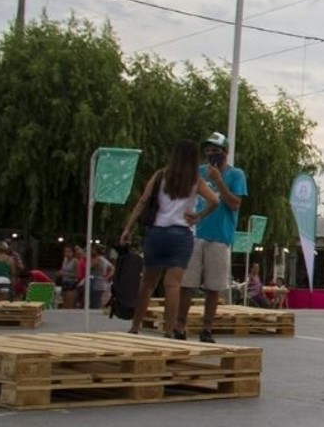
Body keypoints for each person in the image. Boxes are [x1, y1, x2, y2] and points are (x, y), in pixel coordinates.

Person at [120, 140, 220, 338]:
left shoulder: (160, 175)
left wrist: (128, 228)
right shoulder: (195, 180)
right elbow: (215, 200)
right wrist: (198, 216)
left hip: (156, 233)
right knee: (173, 285)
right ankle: (168, 330)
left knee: (147, 283)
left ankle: (135, 326)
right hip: (181, 235)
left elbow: (142, 202)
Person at [176, 132, 247, 343]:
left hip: (220, 236)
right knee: (187, 282)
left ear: (225, 152)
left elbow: (235, 204)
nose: (211, 154)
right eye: (207, 150)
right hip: (196, 232)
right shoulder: (199, 172)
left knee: (213, 285)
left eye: (215, 150)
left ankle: (207, 328)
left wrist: (218, 181)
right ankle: (180, 324)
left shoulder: (236, 175)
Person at [88, 244, 115, 309]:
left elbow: (89, 267)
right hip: (102, 281)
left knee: (94, 302)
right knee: (98, 300)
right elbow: (112, 268)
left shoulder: (97, 259)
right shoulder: (104, 259)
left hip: (95, 281)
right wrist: (107, 277)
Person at [57, 244, 82, 309]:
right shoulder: (65, 260)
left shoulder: (75, 261)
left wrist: (64, 274)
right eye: (66, 251)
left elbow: (77, 275)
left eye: (69, 251)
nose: (67, 253)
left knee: (69, 304)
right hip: (64, 282)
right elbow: (63, 270)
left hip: (71, 283)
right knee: (63, 303)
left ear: (73, 253)